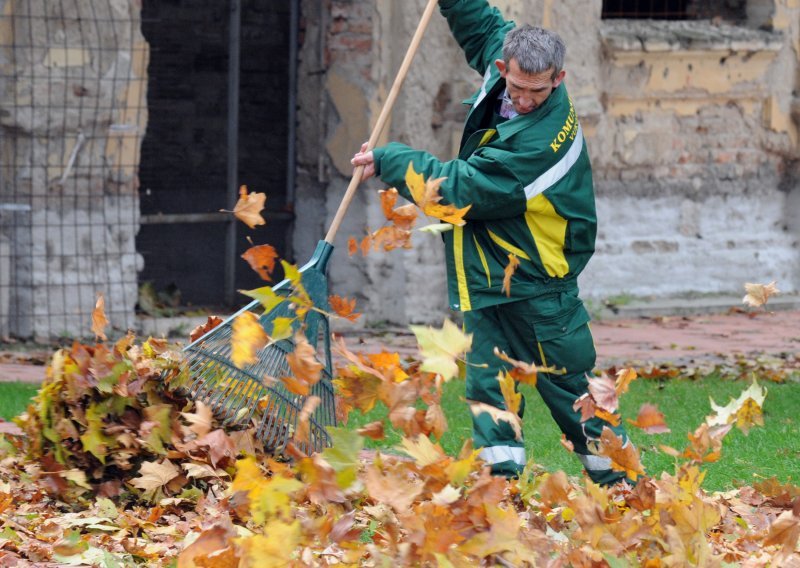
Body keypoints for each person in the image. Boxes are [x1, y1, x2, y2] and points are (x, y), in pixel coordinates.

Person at [351, 0, 634, 486]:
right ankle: (497, 491)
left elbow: (458, 190)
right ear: (504, 69)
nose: (523, 100)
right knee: (489, 387)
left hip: (540, 285)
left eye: (536, 92)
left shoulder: (539, 144)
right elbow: (481, 26)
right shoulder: (508, 67)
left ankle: (627, 488)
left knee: (574, 393)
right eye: (517, 87)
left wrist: (390, 160)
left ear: (558, 80)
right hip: (488, 275)